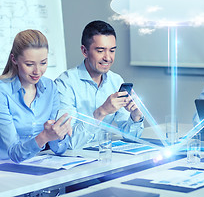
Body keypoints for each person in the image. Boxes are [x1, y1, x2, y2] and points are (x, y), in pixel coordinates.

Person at [0, 30, 72, 165]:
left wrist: (59, 134)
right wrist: (44, 137)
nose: (37, 71)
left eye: (43, 63)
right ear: (14, 59)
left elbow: (58, 149)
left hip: (29, 166)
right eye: (29, 64)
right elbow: (15, 153)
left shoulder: (50, 88)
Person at [55, 20, 144, 149]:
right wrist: (101, 112)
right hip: (75, 161)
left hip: (104, 156)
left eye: (112, 51)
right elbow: (68, 143)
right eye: (100, 51)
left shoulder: (116, 80)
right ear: (84, 51)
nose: (108, 58)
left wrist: (135, 116)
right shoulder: (65, 84)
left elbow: (131, 137)